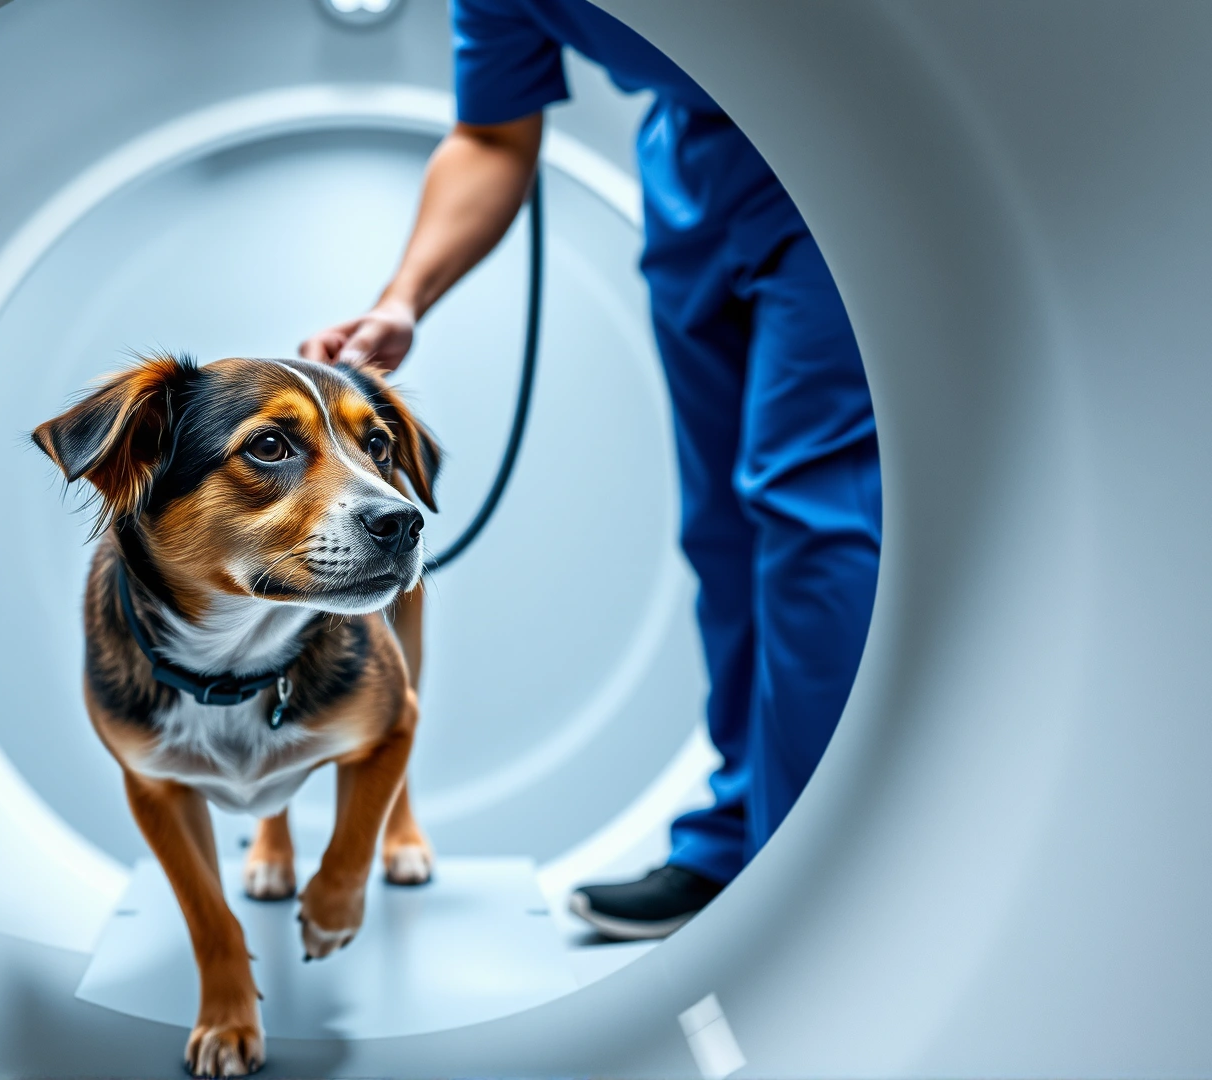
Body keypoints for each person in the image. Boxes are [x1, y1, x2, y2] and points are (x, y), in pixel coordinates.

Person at [300, 0, 882, 940]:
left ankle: (811, 864)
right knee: (721, 534)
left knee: (805, 510)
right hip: (694, 176)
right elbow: (491, 134)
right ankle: (732, 842)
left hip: (825, 150)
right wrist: (404, 300)